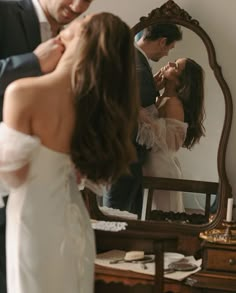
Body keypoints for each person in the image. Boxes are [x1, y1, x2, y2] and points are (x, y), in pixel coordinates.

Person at [0, 12, 139, 293]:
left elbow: (13, 175)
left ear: (81, 35)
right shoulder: (96, 109)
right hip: (73, 216)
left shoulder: (23, 92)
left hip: (32, 218)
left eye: (83, 19)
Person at [0, 0, 93, 291]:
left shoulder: (84, 37)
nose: (79, 5)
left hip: (56, 202)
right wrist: (32, 63)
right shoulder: (3, 14)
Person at [103, 23, 182, 217]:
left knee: (123, 210)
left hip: (123, 152)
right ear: (162, 42)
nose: (166, 56)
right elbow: (127, 104)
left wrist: (152, 88)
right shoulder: (137, 63)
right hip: (125, 153)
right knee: (117, 212)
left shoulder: (132, 57)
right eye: (169, 49)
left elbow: (134, 98)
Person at [137, 58, 205, 212]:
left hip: (161, 167)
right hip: (152, 164)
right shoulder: (161, 98)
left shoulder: (174, 103)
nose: (169, 63)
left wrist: (139, 111)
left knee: (160, 214)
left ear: (182, 81)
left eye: (176, 66)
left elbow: (169, 142)